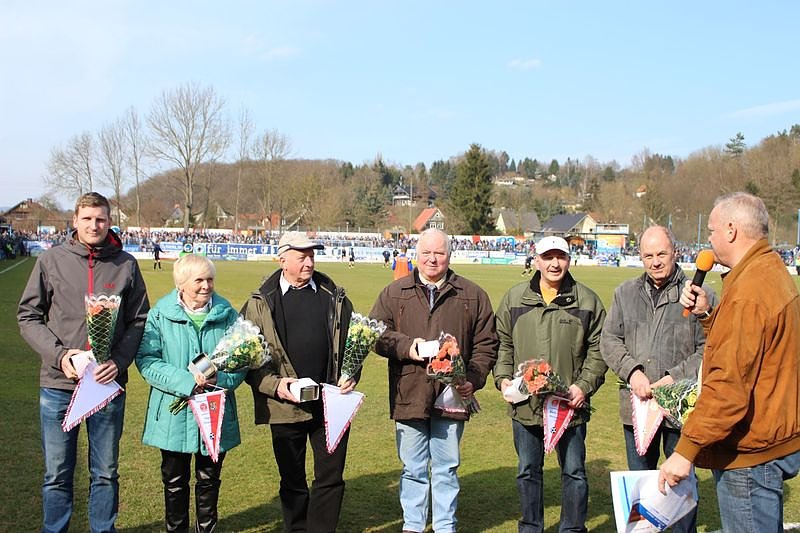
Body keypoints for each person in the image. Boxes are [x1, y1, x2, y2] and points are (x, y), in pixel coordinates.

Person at [659, 192, 800, 533]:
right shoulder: (767, 272)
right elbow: (754, 351)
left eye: (711, 230)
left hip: (750, 453)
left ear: (732, 230)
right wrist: (709, 315)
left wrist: (685, 451)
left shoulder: (749, 292)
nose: (708, 239)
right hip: (768, 441)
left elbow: (729, 385)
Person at [17, 192, 150, 533]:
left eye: (101, 219)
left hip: (107, 386)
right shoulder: (52, 261)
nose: (95, 225)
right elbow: (28, 316)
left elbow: (139, 320)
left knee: (105, 472)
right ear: (75, 221)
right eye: (88, 218)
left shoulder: (126, 264)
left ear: (109, 222)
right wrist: (61, 356)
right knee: (57, 473)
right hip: (59, 385)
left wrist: (119, 363)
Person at [370, 228, 498, 533]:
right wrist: (407, 347)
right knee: (413, 469)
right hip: (409, 393)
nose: (432, 259)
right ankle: (413, 526)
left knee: (446, 469)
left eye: (439, 253)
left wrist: (474, 378)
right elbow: (376, 335)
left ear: (449, 256)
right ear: (417, 255)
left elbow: (487, 343)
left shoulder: (472, 294)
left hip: (452, 396)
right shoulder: (395, 292)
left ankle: (444, 526)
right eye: (426, 253)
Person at [600, 225, 717, 533]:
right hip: (636, 408)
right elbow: (609, 340)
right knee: (641, 484)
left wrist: (672, 378)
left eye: (662, 254)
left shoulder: (698, 295)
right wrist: (632, 370)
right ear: (640, 256)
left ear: (675, 252)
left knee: (681, 482)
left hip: (682, 409)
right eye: (648, 255)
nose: (655, 261)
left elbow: (710, 349)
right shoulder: (624, 293)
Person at [240, 231, 354, 533]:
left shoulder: (335, 295)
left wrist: (351, 373)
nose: (309, 261)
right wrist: (276, 386)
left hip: (331, 403)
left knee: (331, 477)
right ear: (282, 260)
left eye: (312, 255)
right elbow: (246, 360)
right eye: (301, 256)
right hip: (284, 405)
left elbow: (353, 345)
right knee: (292, 480)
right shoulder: (260, 302)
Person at [493, 235, 607, 533]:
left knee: (574, 472)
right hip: (525, 407)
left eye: (561, 257)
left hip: (569, 407)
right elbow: (502, 345)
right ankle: (531, 527)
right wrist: (503, 379)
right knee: (528, 471)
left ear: (569, 260)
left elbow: (599, 350)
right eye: (548, 257)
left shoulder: (588, 300)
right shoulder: (514, 298)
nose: (555, 263)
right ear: (537, 259)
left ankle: (572, 528)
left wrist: (583, 386)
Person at [136, 254, 246, 532]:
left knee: (209, 479)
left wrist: (218, 378)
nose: (206, 286)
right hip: (175, 412)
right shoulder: (160, 314)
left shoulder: (229, 315)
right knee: (174, 481)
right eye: (199, 280)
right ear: (181, 283)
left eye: (210, 279)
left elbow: (243, 359)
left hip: (215, 409)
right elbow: (147, 360)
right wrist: (186, 382)